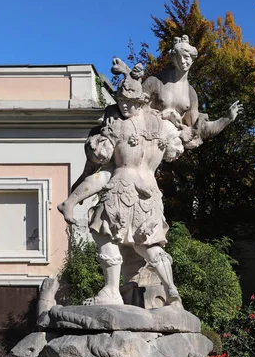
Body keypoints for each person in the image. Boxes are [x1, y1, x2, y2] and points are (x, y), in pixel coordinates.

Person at [61, 60, 186, 307]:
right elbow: (176, 149)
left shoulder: (116, 125)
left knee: (105, 236)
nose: (125, 106)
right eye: (121, 102)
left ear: (141, 101)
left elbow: (103, 172)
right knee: (149, 244)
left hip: (120, 190)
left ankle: (110, 291)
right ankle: (171, 290)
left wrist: (72, 200)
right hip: (150, 196)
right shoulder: (162, 126)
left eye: (130, 102)